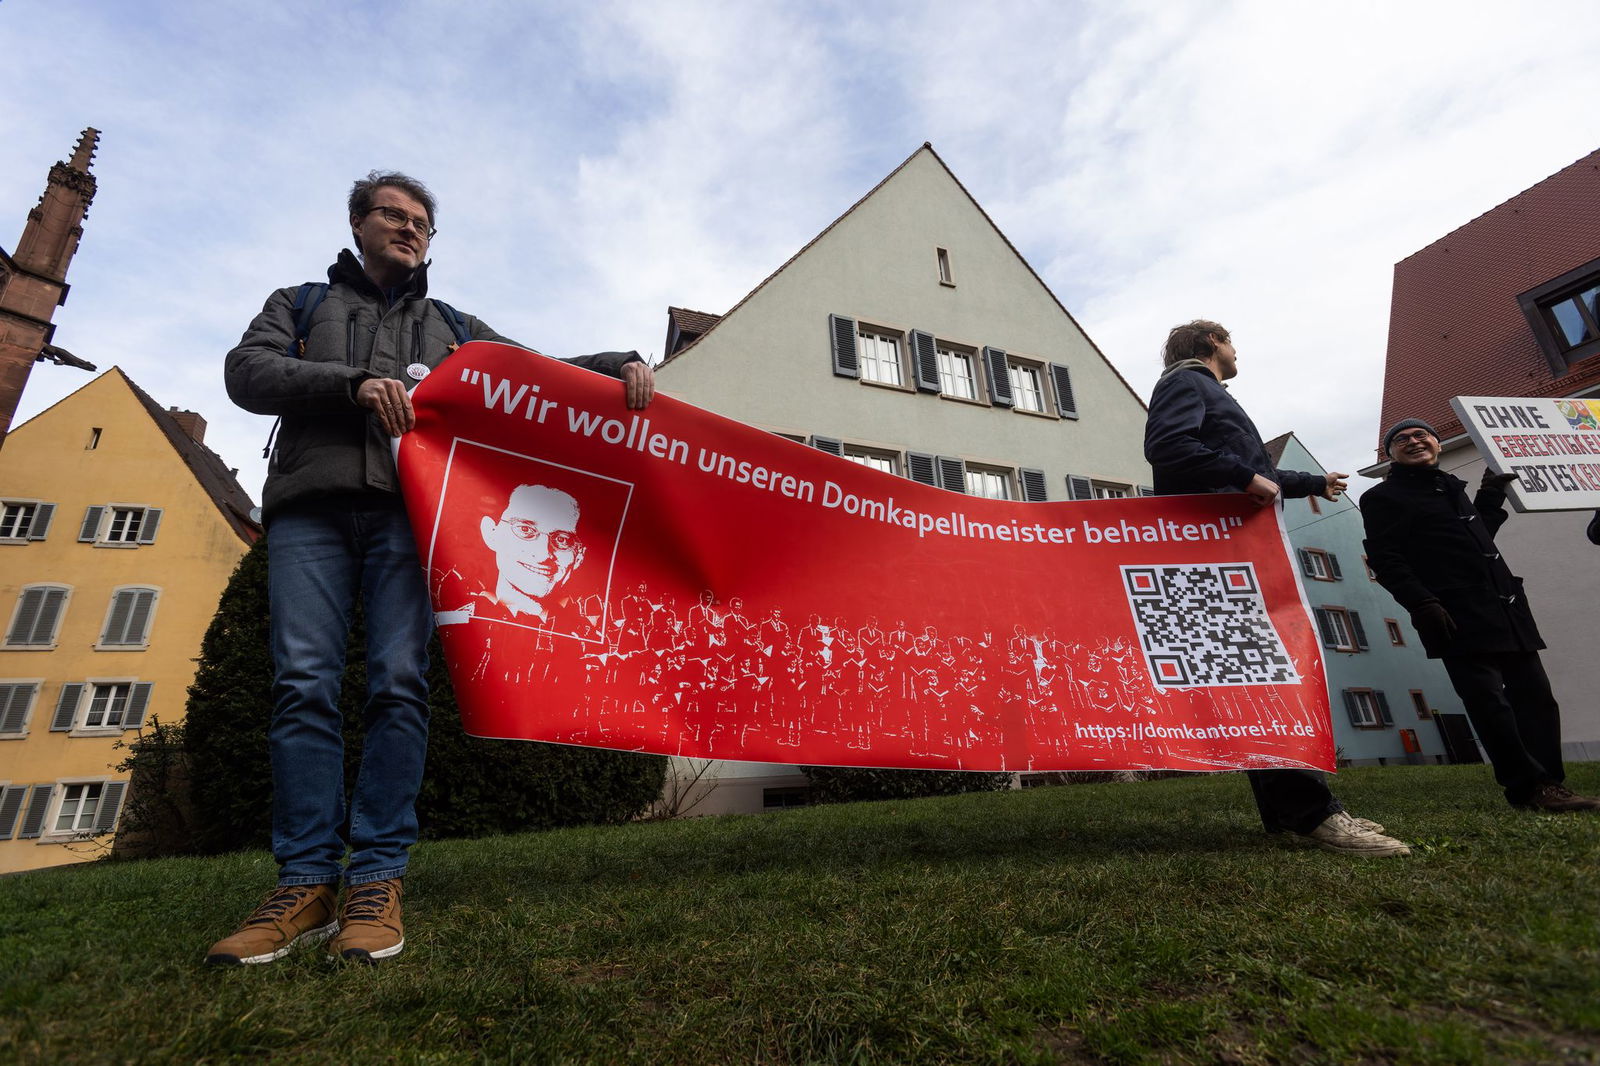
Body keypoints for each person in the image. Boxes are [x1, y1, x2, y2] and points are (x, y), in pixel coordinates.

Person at [212, 171, 654, 965]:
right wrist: (354, 386)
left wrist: (617, 364)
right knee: (303, 682)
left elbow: (533, 377)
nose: (410, 229)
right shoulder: (301, 303)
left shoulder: (453, 327)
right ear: (357, 223)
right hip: (310, 512)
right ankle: (305, 883)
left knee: (399, 681)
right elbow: (248, 373)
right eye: (393, 214)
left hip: (411, 520)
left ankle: (377, 878)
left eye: (422, 222)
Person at [1144, 320, 1410, 856]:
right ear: (1209, 345)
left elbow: (1254, 469)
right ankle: (1314, 814)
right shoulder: (1186, 382)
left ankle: (1299, 813)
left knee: (1254, 680)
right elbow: (1168, 446)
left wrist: (1314, 483)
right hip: (1216, 554)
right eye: (1230, 341)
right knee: (1266, 674)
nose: (1237, 350)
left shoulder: (1210, 392)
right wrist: (1244, 479)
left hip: (1231, 551)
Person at [1361, 418, 1600, 813]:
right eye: (1400, 440)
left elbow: (1476, 541)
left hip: (1504, 606)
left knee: (1537, 699)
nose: (1413, 440)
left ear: (1436, 445)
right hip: (1451, 613)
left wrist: (1490, 494)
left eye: (1422, 435)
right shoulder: (1383, 497)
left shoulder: (1450, 488)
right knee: (1491, 704)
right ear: (1391, 456)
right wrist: (1422, 603)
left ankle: (1551, 785)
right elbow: (1386, 559)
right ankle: (1526, 788)